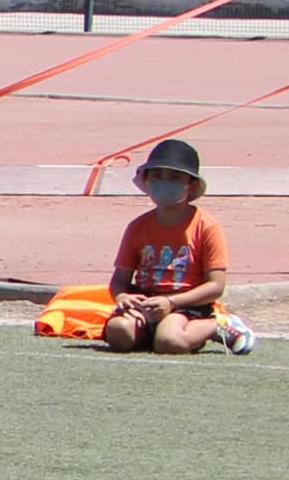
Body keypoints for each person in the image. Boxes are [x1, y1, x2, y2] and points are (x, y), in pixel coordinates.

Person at [99, 138, 252, 354]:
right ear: (147, 181)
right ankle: (149, 333)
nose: (164, 182)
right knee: (118, 333)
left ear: (191, 185)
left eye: (174, 177)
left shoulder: (206, 226)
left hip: (186, 305)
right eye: (157, 176)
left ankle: (216, 326)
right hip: (146, 303)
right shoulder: (137, 227)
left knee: (169, 342)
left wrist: (171, 302)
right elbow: (120, 278)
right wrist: (123, 297)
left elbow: (216, 286)